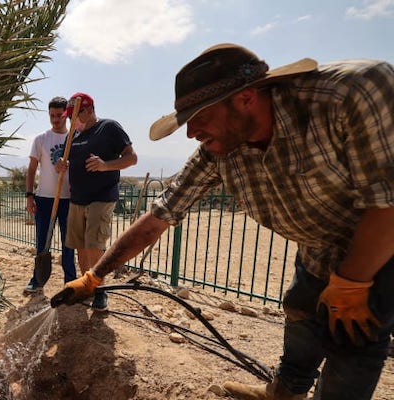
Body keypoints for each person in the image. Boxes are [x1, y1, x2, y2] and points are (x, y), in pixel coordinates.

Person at [52, 43, 394, 399]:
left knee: (354, 340)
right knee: (301, 309)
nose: (190, 132)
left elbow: (387, 201)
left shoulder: (349, 94)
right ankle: (283, 392)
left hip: (381, 244)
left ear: (245, 99)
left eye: (199, 116)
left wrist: (354, 280)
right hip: (317, 245)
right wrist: (94, 277)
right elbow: (157, 218)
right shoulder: (218, 152)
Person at [57, 92, 138, 311]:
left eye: (76, 115)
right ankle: (87, 287)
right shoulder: (72, 136)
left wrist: (104, 165)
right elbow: (65, 162)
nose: (73, 120)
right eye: (70, 116)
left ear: (90, 109)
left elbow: (132, 158)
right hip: (77, 198)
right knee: (81, 247)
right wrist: (61, 166)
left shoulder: (109, 127)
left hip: (101, 197)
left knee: (94, 245)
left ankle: (100, 291)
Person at [24, 96, 76, 293]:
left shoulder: (74, 139)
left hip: (68, 200)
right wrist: (30, 195)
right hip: (44, 199)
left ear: (66, 115)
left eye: (59, 116)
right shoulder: (41, 139)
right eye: (52, 115)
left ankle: (70, 282)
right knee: (42, 243)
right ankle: (37, 279)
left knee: (68, 245)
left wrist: (70, 164)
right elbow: (31, 169)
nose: (55, 120)